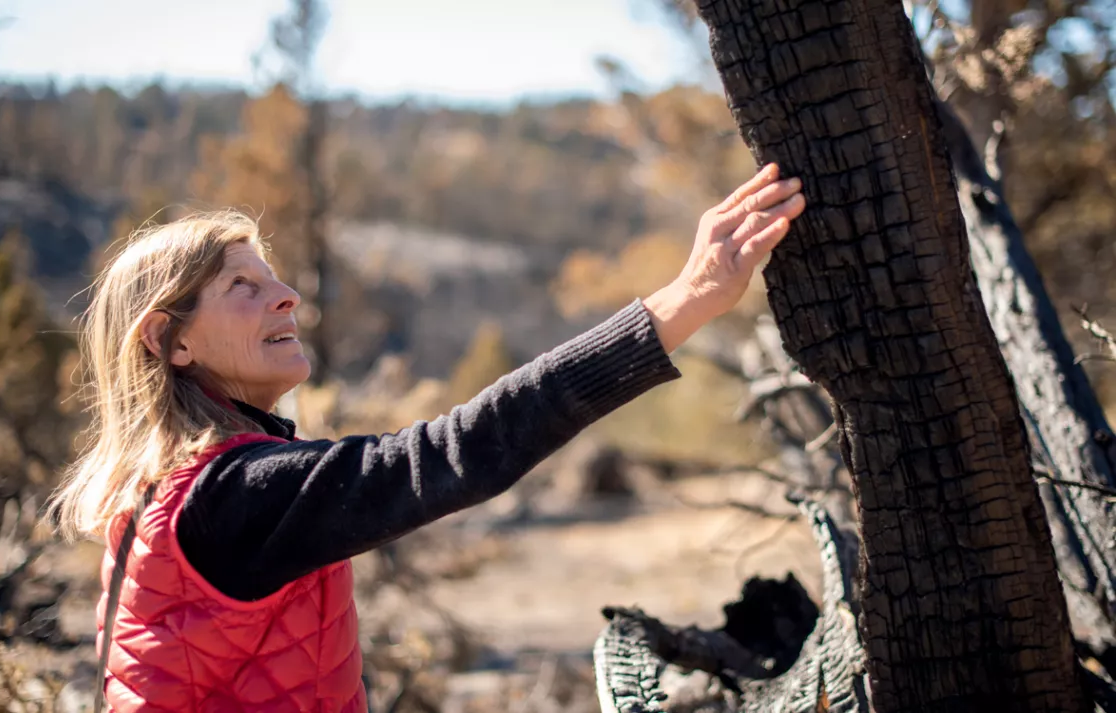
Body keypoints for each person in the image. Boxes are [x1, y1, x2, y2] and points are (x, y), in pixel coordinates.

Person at [48, 163, 805, 712]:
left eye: (273, 276)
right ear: (169, 342)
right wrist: (682, 302)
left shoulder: (169, 496)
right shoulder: (230, 496)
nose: (287, 295)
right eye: (242, 287)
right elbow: (455, 453)